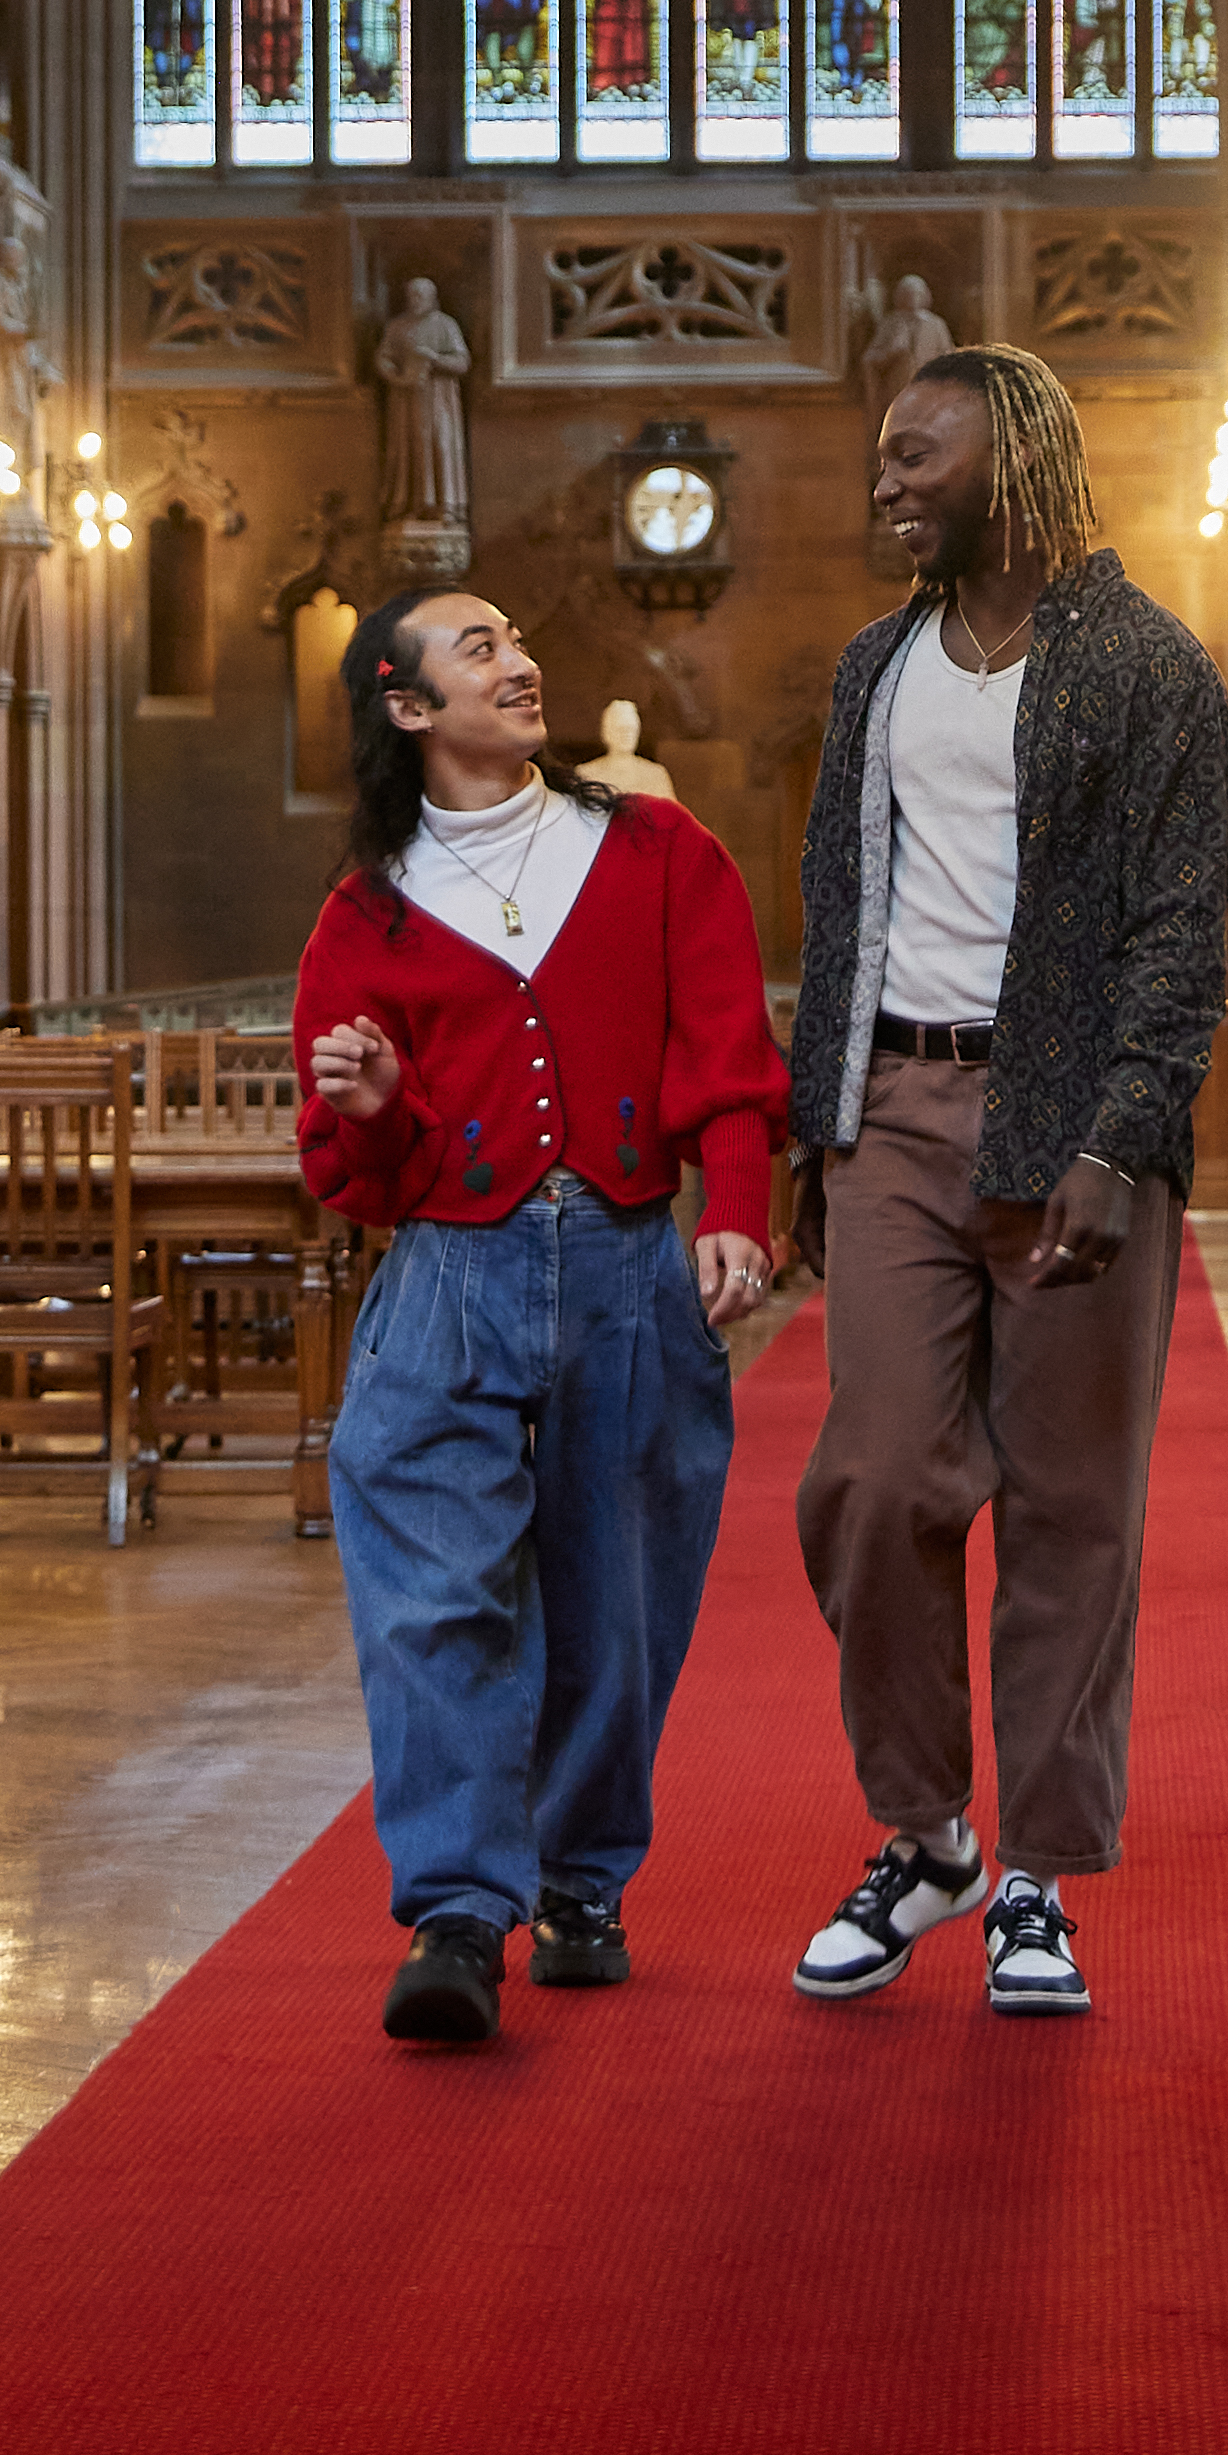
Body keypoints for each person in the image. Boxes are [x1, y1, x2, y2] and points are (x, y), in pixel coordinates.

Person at [777, 346, 1228, 2024]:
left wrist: (1120, 1138)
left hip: (1073, 1123)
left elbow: (1180, 938)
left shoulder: (1146, 666)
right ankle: (927, 1830)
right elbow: (838, 904)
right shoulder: (872, 668)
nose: (884, 480)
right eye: (881, 457)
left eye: (914, 454)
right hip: (892, 1101)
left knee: (1065, 1511)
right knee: (875, 1479)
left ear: (1012, 460)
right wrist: (816, 1127)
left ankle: (1034, 1873)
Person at [294, 585, 782, 2046]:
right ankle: (455, 1911)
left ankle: (579, 1885)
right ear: (404, 705)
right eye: (478, 649)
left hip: (629, 1265)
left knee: (615, 1597)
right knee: (434, 1595)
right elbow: (350, 1177)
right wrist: (383, 1108)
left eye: (514, 640)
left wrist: (739, 1208)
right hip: (448, 1275)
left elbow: (728, 1051)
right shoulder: (364, 909)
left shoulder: (653, 849)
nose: (521, 663)